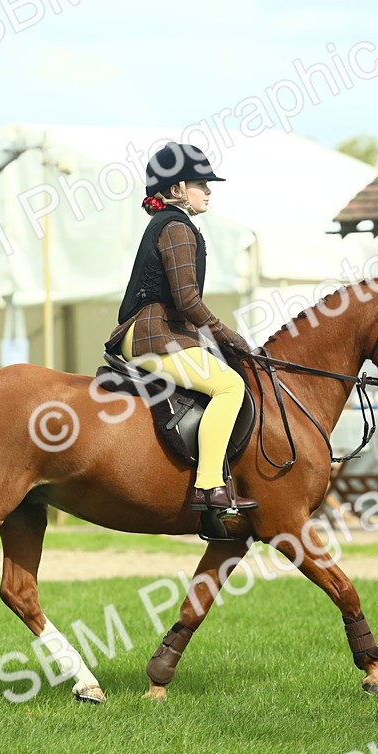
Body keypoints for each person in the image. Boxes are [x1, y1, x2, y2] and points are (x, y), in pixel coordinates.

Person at [105, 142, 258, 513]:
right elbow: (188, 300)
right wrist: (231, 337)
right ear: (176, 189)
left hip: (157, 332)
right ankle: (208, 486)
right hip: (154, 335)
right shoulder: (176, 228)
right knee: (229, 386)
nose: (208, 190)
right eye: (200, 183)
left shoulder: (171, 224)